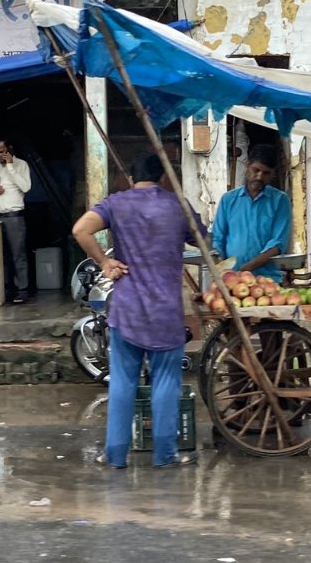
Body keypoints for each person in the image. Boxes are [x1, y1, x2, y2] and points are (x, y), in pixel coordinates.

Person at [71, 153, 205, 469]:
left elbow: (81, 230)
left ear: (131, 178)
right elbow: (204, 239)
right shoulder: (176, 206)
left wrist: (105, 262)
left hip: (127, 310)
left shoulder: (116, 203)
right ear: (162, 178)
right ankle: (165, 455)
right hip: (165, 311)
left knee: (122, 383)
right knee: (166, 382)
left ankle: (115, 456)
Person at [211, 143, 292, 280]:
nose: (259, 177)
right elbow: (218, 239)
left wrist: (247, 268)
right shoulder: (228, 200)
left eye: (266, 173)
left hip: (267, 280)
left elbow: (278, 244)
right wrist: (220, 267)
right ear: (248, 166)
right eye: (256, 170)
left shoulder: (280, 201)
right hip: (232, 280)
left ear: (272, 175)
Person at [0, 138, 32, 304]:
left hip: (14, 216)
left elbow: (26, 187)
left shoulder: (21, 165)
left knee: (18, 254)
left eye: (1, 151)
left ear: (9, 149)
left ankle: (22, 290)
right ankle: (5, 288)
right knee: (0, 255)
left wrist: (10, 166)